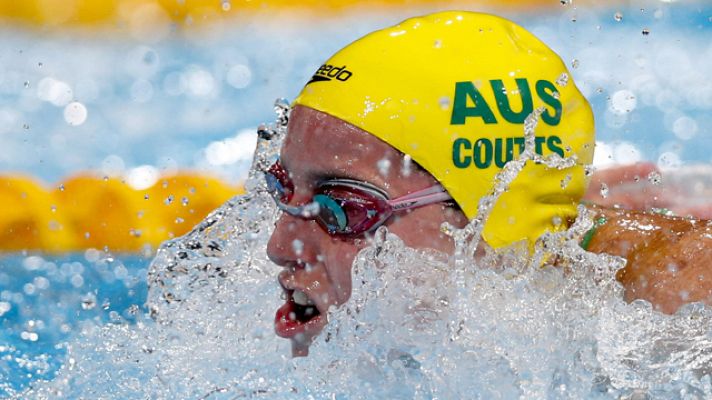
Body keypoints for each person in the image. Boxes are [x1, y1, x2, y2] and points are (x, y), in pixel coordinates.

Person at [263, 11, 712, 357]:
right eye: (283, 190)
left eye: (342, 210)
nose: (278, 245)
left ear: (485, 218)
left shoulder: (671, 306)